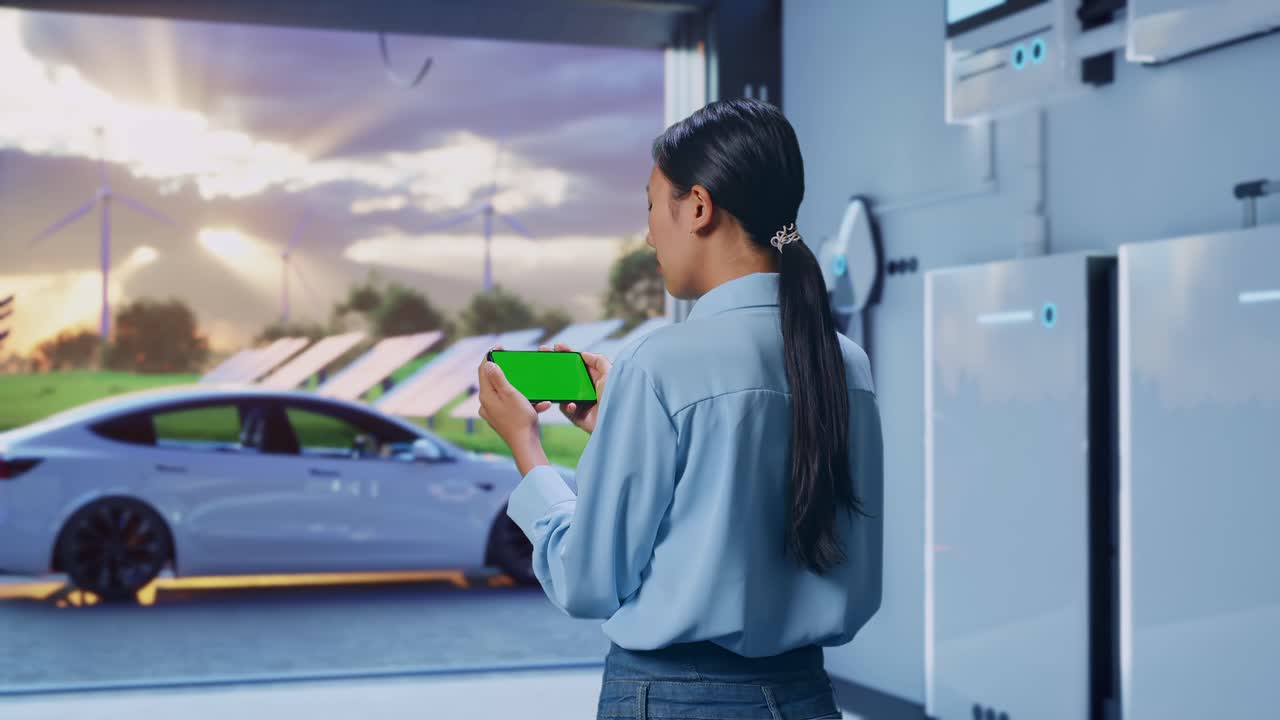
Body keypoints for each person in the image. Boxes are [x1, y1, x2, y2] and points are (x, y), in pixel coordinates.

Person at [477, 98, 884, 720]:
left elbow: (588, 582)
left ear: (697, 207)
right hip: (804, 697)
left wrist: (526, 451)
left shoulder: (661, 363)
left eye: (650, 204)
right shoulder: (845, 362)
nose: (647, 233)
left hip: (673, 699)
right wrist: (621, 417)